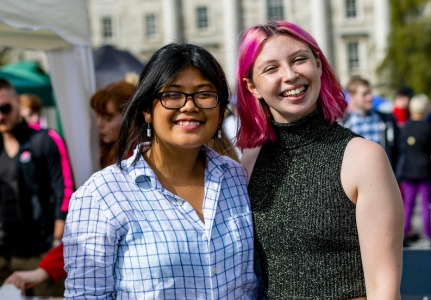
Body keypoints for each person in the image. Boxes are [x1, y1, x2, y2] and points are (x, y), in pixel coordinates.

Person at [63, 43, 259, 299]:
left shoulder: (236, 178)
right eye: (173, 95)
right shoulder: (102, 195)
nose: (189, 106)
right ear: (146, 109)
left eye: (204, 94)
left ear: (220, 110)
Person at [236, 21, 403, 299]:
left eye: (299, 60)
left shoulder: (363, 157)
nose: (290, 75)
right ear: (252, 86)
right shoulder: (250, 160)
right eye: (271, 68)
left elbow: (383, 288)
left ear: (318, 65)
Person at [3, 80, 138, 294]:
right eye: (98, 117)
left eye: (108, 117)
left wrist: (54, 246)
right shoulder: (113, 157)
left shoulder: (138, 164)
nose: (99, 124)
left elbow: (66, 191)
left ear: (134, 117)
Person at [0, 79, 74, 296]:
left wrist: (56, 242)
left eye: (5, 108)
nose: (1, 115)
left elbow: (66, 189)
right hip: (3, 252)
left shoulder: (45, 139)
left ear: (18, 102)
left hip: (39, 252)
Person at [396, 94, 431, 247]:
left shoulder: (405, 127)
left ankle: (404, 233)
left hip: (408, 169)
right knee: (426, 204)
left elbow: (402, 149)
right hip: (425, 169)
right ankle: (428, 234)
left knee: (408, 204)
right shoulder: (428, 128)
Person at [343, 76, 400, 170]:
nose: (369, 97)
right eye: (364, 94)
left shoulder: (386, 120)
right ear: (352, 96)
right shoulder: (345, 124)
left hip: (384, 175)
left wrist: (397, 177)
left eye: (370, 93)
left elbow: (399, 150)